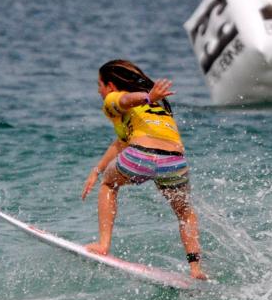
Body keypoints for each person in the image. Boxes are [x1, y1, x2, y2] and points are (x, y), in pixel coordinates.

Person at [81, 59, 206, 280]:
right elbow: (120, 143)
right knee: (185, 213)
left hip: (141, 156)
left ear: (110, 85)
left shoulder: (114, 98)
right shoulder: (157, 108)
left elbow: (125, 99)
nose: (99, 91)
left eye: (99, 85)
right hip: (174, 162)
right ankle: (196, 269)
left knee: (109, 184)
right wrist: (96, 169)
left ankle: (103, 244)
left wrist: (147, 96)